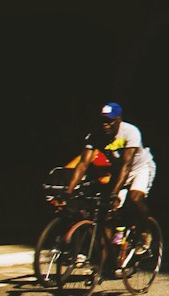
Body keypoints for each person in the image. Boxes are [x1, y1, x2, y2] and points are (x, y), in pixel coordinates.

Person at [59, 102, 156, 248]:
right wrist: (68, 190)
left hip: (140, 168)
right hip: (119, 171)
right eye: (103, 120)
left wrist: (115, 192)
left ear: (118, 120)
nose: (105, 125)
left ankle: (146, 229)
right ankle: (110, 258)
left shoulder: (131, 132)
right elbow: (83, 164)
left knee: (135, 198)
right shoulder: (95, 135)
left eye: (109, 121)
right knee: (107, 212)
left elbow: (127, 165)